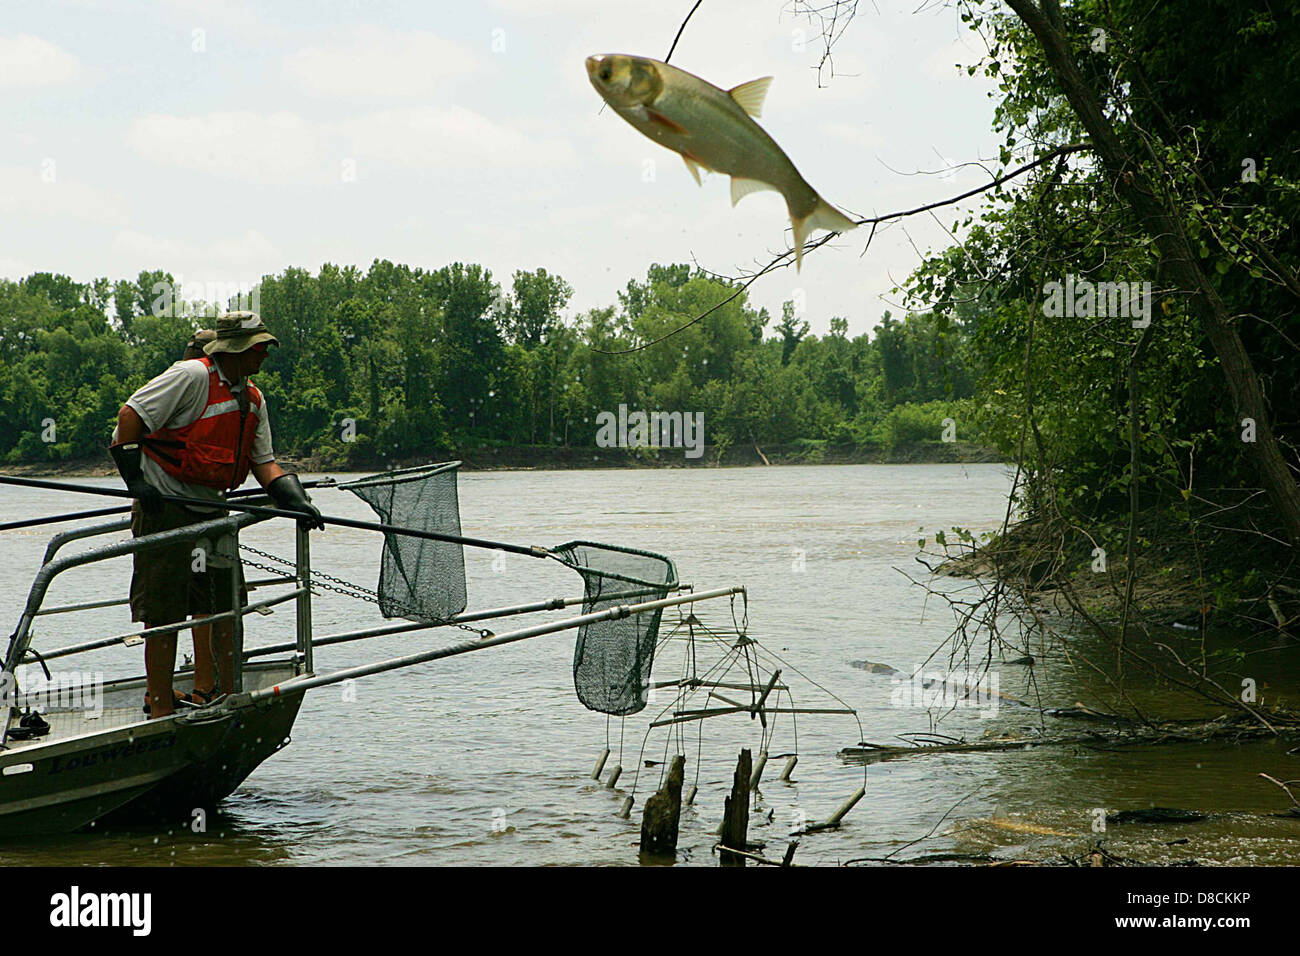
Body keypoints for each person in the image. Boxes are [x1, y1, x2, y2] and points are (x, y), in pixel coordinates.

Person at [109, 311, 324, 719]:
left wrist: (296, 500)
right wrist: (138, 484)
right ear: (236, 349)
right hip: (165, 509)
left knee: (226, 604)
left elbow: (265, 464)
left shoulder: (253, 399)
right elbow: (129, 418)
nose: (263, 356)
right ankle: (159, 702)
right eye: (257, 348)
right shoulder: (190, 376)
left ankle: (222, 692)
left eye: (265, 348)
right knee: (164, 612)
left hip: (214, 513)